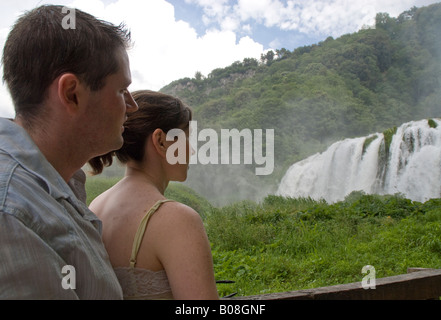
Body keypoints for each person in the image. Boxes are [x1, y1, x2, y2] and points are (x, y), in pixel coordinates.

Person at [0, 5, 138, 299]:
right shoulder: (12, 214)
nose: (132, 105)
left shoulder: (56, 184)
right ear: (71, 93)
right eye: (121, 90)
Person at [88, 90, 219, 300]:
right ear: (160, 141)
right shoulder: (177, 220)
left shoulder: (96, 206)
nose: (192, 151)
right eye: (186, 138)